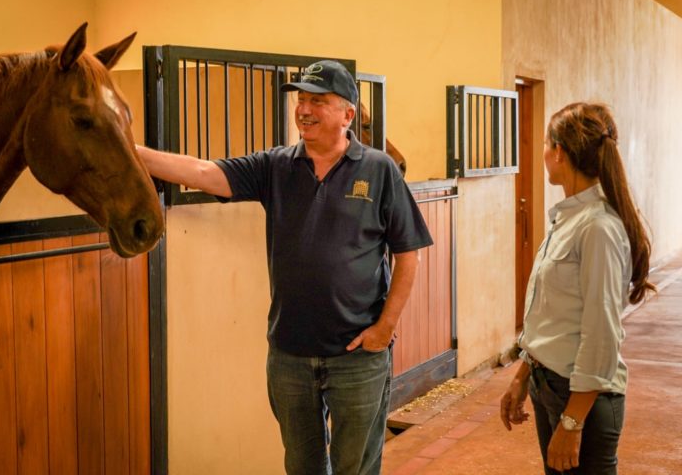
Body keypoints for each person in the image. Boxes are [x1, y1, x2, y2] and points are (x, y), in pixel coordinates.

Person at [137, 60, 432, 474]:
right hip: (290, 355)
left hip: (358, 355)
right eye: (301, 100)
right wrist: (128, 150)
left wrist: (384, 328)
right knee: (302, 465)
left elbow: (409, 253)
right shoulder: (275, 166)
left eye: (318, 101)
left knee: (356, 467)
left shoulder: (378, 169)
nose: (304, 110)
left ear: (348, 114)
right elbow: (204, 172)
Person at [500, 102, 654, 474]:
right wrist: (523, 376)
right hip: (551, 383)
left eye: (544, 144)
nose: (542, 154)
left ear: (559, 153)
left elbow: (601, 331)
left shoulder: (597, 228)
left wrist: (572, 422)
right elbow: (551, 315)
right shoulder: (569, 217)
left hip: (581, 397)